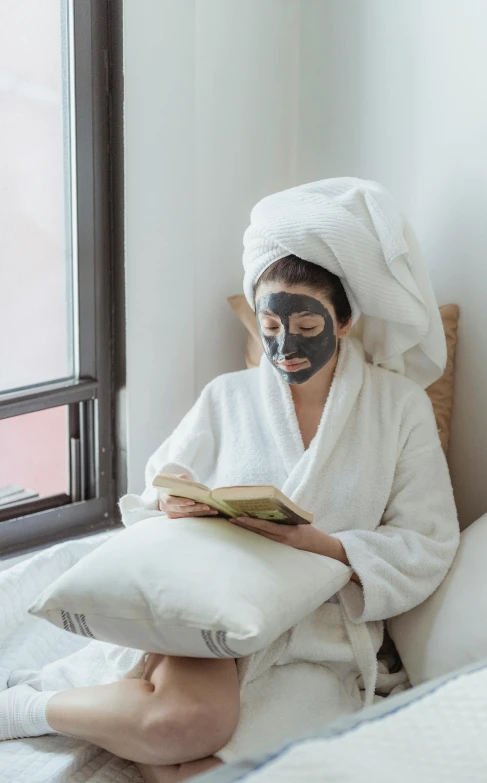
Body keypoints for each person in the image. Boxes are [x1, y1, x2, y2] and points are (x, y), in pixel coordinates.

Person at [0, 178, 460, 783]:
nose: (285, 346)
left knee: (233, 766)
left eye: (306, 325)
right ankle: (24, 707)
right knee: (181, 725)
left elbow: (427, 542)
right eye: (270, 327)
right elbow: (157, 491)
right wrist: (177, 501)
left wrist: (318, 545)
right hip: (214, 606)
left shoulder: (399, 408)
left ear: (344, 321)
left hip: (310, 633)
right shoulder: (228, 396)